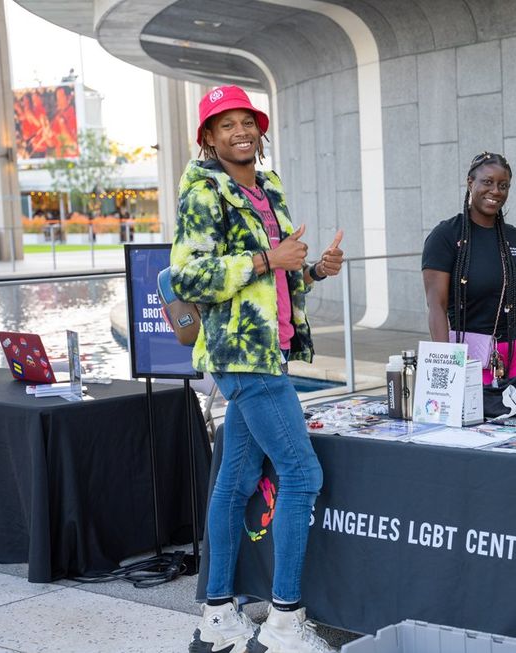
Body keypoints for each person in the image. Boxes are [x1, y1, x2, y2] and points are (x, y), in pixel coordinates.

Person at [171, 85, 344, 653]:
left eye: (249, 122)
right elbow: (189, 278)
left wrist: (312, 269)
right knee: (302, 476)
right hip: (243, 357)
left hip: (271, 351)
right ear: (208, 137)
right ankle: (284, 624)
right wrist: (271, 257)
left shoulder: (268, 187)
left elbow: (275, 277)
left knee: (238, 481)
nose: (241, 132)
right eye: (227, 125)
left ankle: (217, 617)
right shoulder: (203, 193)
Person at [422, 151, 516, 385]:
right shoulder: (446, 236)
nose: (495, 191)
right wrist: (444, 365)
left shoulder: (514, 237)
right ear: (470, 182)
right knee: (483, 419)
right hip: (475, 354)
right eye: (487, 182)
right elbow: (436, 305)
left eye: (503, 185)